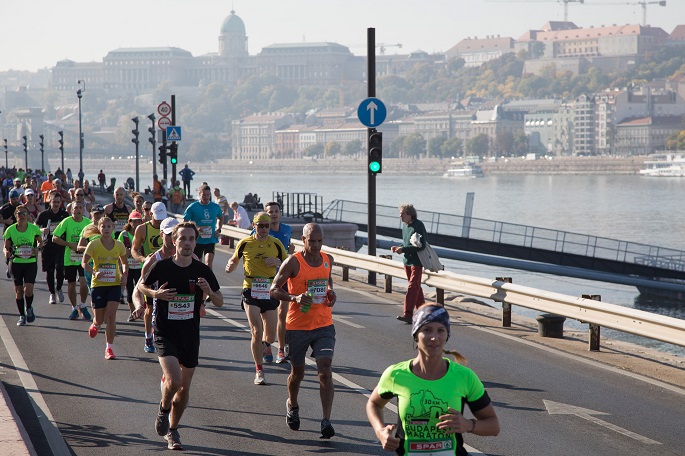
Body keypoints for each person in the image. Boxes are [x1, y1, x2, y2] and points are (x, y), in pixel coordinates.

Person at [133, 222, 223, 451]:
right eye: (183, 238)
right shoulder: (162, 266)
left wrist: (209, 291)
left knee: (184, 389)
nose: (187, 243)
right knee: (175, 380)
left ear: (196, 242)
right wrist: (155, 294)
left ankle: (172, 430)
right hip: (165, 332)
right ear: (174, 241)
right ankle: (163, 410)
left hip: (190, 335)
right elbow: (141, 286)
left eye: (191, 239)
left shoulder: (202, 270)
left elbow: (220, 300)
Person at [366, 305, 500, 455]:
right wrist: (380, 431)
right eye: (427, 330)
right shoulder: (396, 374)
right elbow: (374, 403)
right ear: (416, 334)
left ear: (447, 335)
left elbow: (493, 426)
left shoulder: (464, 377)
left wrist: (469, 425)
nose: (434, 337)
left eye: (441, 330)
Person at [270, 223, 337, 439]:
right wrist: (294, 298)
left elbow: (328, 281)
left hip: (323, 324)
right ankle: (292, 404)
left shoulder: (327, 259)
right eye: (312, 241)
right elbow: (273, 290)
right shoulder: (293, 262)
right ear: (304, 240)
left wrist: (331, 292)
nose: (316, 245)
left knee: (325, 371)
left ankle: (326, 421)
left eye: (320, 241)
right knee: (297, 373)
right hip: (297, 327)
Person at [226, 212, 288, 385]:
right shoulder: (245, 243)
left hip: (269, 289)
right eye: (260, 226)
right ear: (254, 225)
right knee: (256, 329)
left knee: (270, 336)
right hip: (250, 288)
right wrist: (230, 266)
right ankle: (259, 371)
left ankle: (266, 345)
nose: (264, 229)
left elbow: (288, 262)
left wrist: (277, 262)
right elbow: (234, 260)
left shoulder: (275, 243)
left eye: (267, 226)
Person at [82, 217, 128, 360]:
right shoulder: (93, 244)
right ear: (99, 228)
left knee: (111, 316)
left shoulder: (119, 245)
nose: (106, 229)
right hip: (98, 284)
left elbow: (124, 263)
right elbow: (84, 263)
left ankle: (109, 348)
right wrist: (95, 272)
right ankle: (96, 324)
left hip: (114, 284)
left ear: (113, 228)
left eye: (109, 226)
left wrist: (124, 274)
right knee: (100, 319)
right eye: (103, 226)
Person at [259, 201, 295, 363]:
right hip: (264, 279)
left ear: (280, 213)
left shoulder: (287, 229)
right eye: (270, 212)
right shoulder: (260, 230)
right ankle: (267, 343)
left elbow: (286, 252)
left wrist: (287, 253)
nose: (273, 214)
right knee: (266, 315)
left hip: (283, 278)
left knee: (282, 314)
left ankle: (281, 349)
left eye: (276, 211)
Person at [132, 201, 166, 352]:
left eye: (162, 218)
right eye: (157, 218)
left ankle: (165, 335)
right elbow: (134, 250)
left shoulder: (169, 228)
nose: (159, 221)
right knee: (150, 307)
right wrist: (144, 259)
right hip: (150, 272)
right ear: (150, 214)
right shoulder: (142, 229)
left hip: (167, 271)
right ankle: (148, 337)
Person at [51, 201, 91, 320]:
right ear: (71, 210)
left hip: (84, 258)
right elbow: (54, 238)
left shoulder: (88, 223)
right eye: (76, 208)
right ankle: (74, 308)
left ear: (83, 210)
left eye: (80, 208)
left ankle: (83, 305)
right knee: (71, 284)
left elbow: (95, 238)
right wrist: (70, 244)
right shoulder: (66, 222)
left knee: (83, 282)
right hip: (70, 258)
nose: (78, 210)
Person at [3, 206, 42, 326]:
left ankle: (29, 307)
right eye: (19, 213)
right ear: (16, 215)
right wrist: (6, 253)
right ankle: (21, 316)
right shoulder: (10, 230)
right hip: (16, 263)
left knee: (28, 289)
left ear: (28, 215)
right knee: (19, 291)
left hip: (30, 262)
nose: (22, 216)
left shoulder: (34, 228)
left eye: (24, 213)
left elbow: (40, 242)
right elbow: (5, 247)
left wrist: (37, 248)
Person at [391, 204, 428, 324]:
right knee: (416, 288)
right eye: (400, 214)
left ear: (409, 214)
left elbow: (421, 246)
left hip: (416, 262)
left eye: (402, 213)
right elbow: (407, 243)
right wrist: (399, 247)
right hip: (407, 261)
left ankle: (408, 314)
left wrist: (404, 249)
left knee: (412, 287)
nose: (400, 216)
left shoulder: (418, 225)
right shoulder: (404, 226)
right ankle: (424, 314)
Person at [36, 191, 69, 304]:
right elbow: (35, 227)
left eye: (58, 202)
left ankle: (59, 288)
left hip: (60, 245)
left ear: (61, 203)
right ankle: (52, 293)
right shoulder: (43, 214)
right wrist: (42, 230)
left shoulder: (65, 215)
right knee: (50, 271)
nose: (56, 204)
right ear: (50, 201)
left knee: (60, 268)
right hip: (48, 246)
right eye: (54, 202)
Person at [183, 185, 223, 271]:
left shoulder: (215, 206)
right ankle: (197, 279)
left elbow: (220, 217)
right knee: (198, 264)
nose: (206, 197)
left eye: (208, 195)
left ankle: (208, 279)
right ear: (199, 194)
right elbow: (185, 221)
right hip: (197, 240)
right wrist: (196, 228)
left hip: (210, 240)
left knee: (208, 264)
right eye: (204, 195)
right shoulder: (193, 207)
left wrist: (218, 229)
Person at [118, 211, 144, 321]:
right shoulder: (124, 234)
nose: (136, 224)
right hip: (128, 266)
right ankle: (132, 312)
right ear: (129, 222)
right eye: (134, 221)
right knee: (129, 290)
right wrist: (125, 252)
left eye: (139, 221)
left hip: (140, 266)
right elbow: (118, 250)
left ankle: (141, 311)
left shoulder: (143, 233)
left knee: (141, 290)